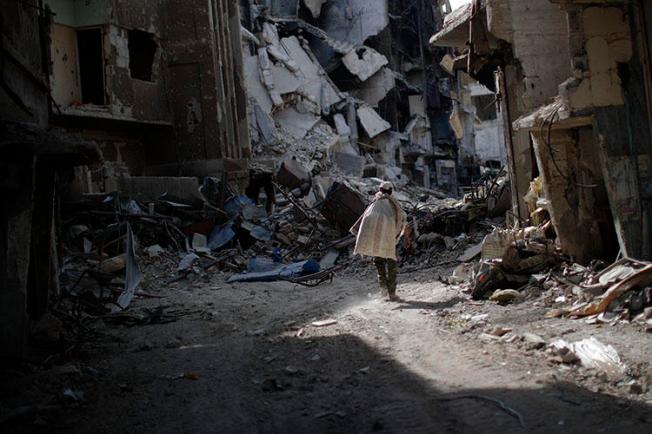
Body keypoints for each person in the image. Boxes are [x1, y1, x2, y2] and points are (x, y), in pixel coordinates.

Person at [350, 181, 407, 301]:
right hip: (388, 242)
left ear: (380, 190)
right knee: (391, 266)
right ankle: (391, 293)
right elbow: (401, 219)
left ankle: (383, 291)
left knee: (380, 267)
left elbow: (363, 222)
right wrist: (396, 236)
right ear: (391, 191)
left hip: (375, 243)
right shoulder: (393, 205)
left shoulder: (374, 203)